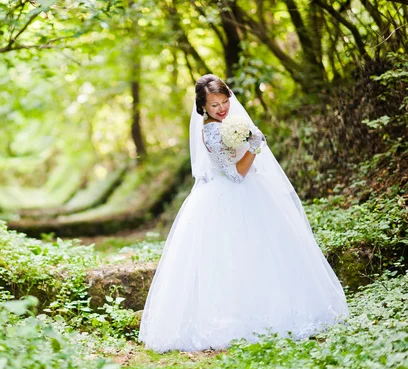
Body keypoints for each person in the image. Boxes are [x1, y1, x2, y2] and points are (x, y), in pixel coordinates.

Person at [138, 74, 348, 353]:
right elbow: (237, 175)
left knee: (266, 252)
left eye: (225, 102)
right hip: (227, 196)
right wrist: (253, 146)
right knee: (235, 257)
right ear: (202, 107)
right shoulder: (212, 132)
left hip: (251, 192)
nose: (223, 109)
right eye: (215, 105)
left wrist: (248, 138)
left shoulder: (227, 122)